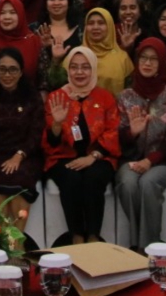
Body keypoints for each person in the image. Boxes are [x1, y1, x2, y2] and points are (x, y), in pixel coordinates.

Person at [43, 46, 120, 245]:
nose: (79, 72)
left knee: (93, 178)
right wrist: (57, 123)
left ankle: (93, 236)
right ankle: (76, 236)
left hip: (98, 156)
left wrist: (92, 157)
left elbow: (113, 131)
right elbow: (49, 141)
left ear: (93, 69)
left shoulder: (105, 97)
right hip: (63, 156)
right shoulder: (56, 97)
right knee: (71, 179)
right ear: (67, 70)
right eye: (74, 67)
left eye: (85, 67)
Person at [116, 38, 166, 250]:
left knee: (148, 183)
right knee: (127, 184)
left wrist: (149, 161)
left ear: (162, 63)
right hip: (131, 160)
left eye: (153, 59)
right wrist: (132, 133)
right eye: (143, 58)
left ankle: (147, 247)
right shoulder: (125, 96)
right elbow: (117, 138)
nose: (147, 63)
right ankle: (140, 243)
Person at [0, 48, 44, 242]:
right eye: (2, 69)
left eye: (13, 69)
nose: (7, 75)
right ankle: (0, 242)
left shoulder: (31, 96)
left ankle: (16, 243)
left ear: (21, 72)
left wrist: (19, 155)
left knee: (20, 176)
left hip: (26, 153)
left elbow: (36, 132)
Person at [0, 0, 44, 85]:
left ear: (21, 14)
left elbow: (43, 78)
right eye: (2, 13)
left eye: (12, 12)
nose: (7, 17)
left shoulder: (34, 41)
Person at [81, 8, 133, 96]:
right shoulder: (75, 55)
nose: (95, 27)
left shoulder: (122, 58)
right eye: (91, 23)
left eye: (101, 23)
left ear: (109, 26)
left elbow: (130, 92)